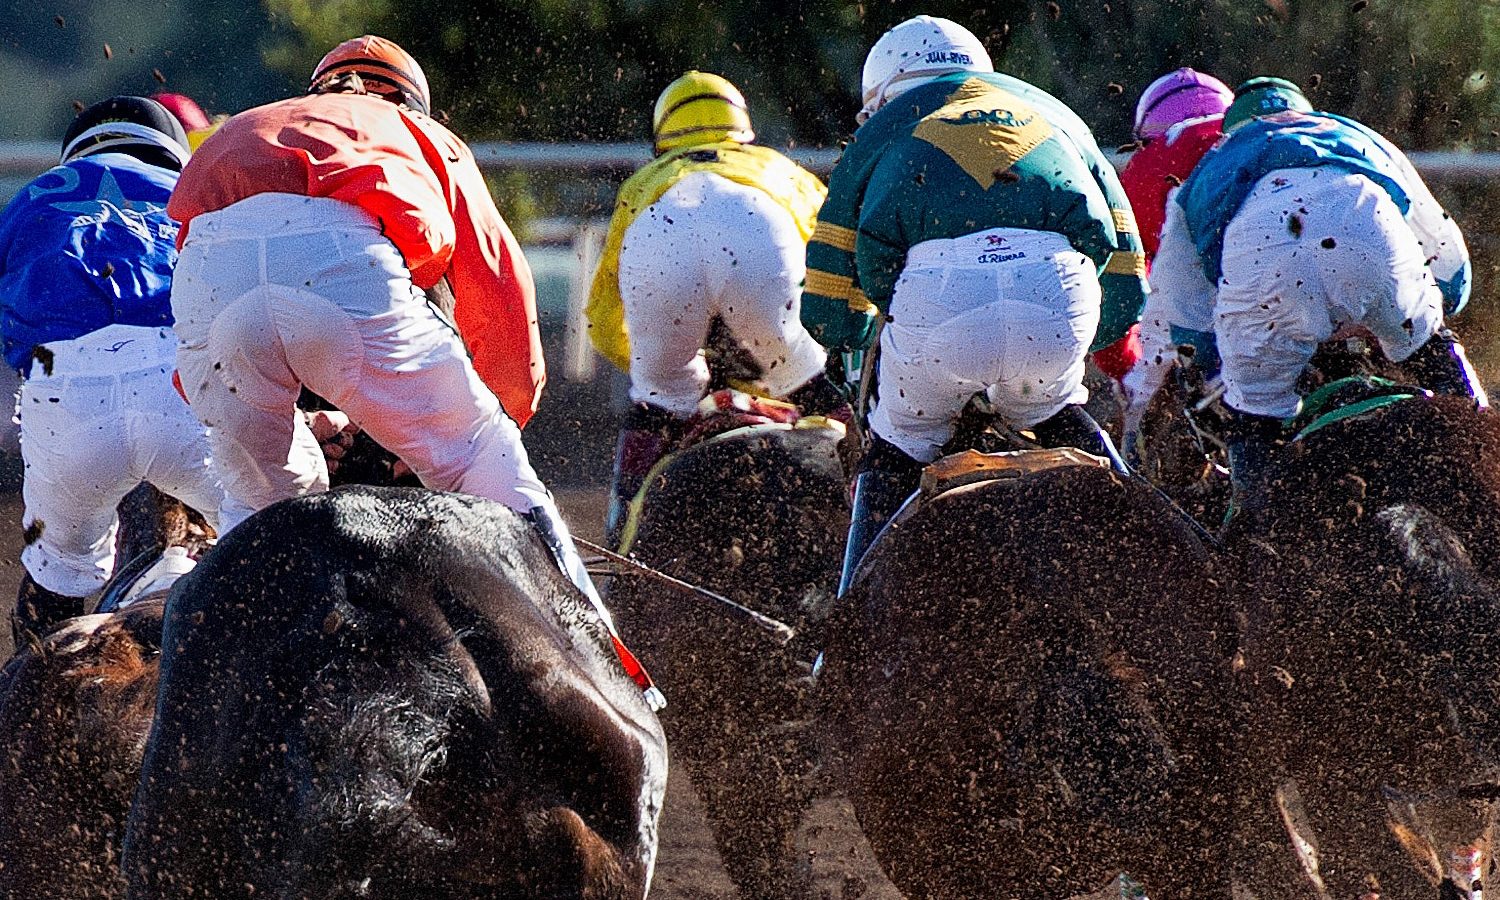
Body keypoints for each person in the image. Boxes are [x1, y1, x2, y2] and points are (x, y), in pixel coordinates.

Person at [166, 36, 661, 707]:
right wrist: (496, 420)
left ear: (320, 88)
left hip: (208, 285)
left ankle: (195, 695)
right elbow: (496, 287)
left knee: (259, 506)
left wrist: (236, 407)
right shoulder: (416, 131)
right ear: (410, 99)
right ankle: (604, 668)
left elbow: (199, 290)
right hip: (343, 269)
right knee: (484, 456)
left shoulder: (247, 124)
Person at [800, 15, 1148, 594]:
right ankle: (1155, 552)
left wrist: (864, 328)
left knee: (897, 448)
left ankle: (843, 631)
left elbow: (830, 309)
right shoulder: (1053, 112)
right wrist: (1086, 341)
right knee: (1059, 414)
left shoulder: (880, 130)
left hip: (937, 310)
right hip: (1057, 294)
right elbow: (1129, 279)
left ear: (880, 98)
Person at [1152, 77, 1485, 507]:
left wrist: (1219, 366)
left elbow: (1183, 316)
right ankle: (1482, 440)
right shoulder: (1355, 134)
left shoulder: (1209, 165)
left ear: (1230, 128)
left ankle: (1250, 531)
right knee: (1433, 351)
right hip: (1371, 238)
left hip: (1265, 271)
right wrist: (1420, 320)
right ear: (1304, 112)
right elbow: (1453, 273)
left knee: (1255, 418)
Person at [587, 70, 848, 541]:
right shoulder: (783, 171)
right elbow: (839, 273)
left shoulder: (643, 183)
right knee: (811, 383)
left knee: (655, 403)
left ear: (662, 140)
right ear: (743, 133)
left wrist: (665, 370)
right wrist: (811, 357)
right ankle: (861, 527)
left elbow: (604, 321)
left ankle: (622, 543)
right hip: (759, 235)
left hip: (660, 234)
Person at [0, 96, 225, 643]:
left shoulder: (28, 199)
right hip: (182, 389)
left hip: (64, 403)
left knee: (54, 576)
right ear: (172, 153)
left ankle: (32, 702)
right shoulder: (204, 200)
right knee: (286, 529)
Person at [1116, 69, 1233, 449]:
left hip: (1209, 292)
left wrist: (1122, 367)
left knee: (1144, 391)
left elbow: (1124, 284)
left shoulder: (1148, 165)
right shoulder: (1256, 134)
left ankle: (1136, 466)